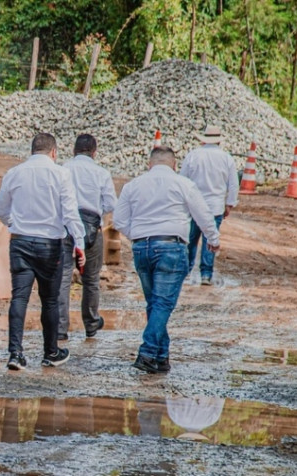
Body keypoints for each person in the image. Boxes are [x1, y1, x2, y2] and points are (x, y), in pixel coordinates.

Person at [113, 146, 220, 374]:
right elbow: (203, 214)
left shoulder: (133, 185)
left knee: (155, 303)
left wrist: (139, 235)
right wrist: (213, 238)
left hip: (142, 248)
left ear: (149, 164)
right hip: (171, 247)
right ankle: (147, 352)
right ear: (174, 165)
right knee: (162, 304)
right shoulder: (183, 184)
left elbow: (119, 220)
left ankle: (161, 356)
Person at [0, 133, 86, 370]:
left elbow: (1, 210)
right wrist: (79, 243)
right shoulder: (61, 174)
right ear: (54, 152)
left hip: (20, 242)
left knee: (19, 297)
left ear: (32, 150)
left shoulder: (14, 173)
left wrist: (15, 224)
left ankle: (15, 354)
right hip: (49, 245)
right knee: (50, 300)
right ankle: (51, 352)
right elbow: (70, 213)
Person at [56, 134, 117, 341]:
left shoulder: (64, 169)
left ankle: (60, 328)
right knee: (91, 280)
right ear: (94, 152)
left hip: (66, 227)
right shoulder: (102, 173)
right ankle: (91, 324)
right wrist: (97, 211)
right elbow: (111, 204)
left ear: (74, 150)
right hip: (92, 229)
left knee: (64, 278)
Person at [179, 125, 238, 286]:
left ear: (203, 140)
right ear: (219, 141)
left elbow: (182, 180)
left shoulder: (193, 156)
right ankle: (206, 274)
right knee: (210, 239)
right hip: (215, 206)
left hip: (193, 206)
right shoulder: (227, 158)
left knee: (190, 240)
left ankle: (186, 272)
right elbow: (233, 184)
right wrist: (229, 204)